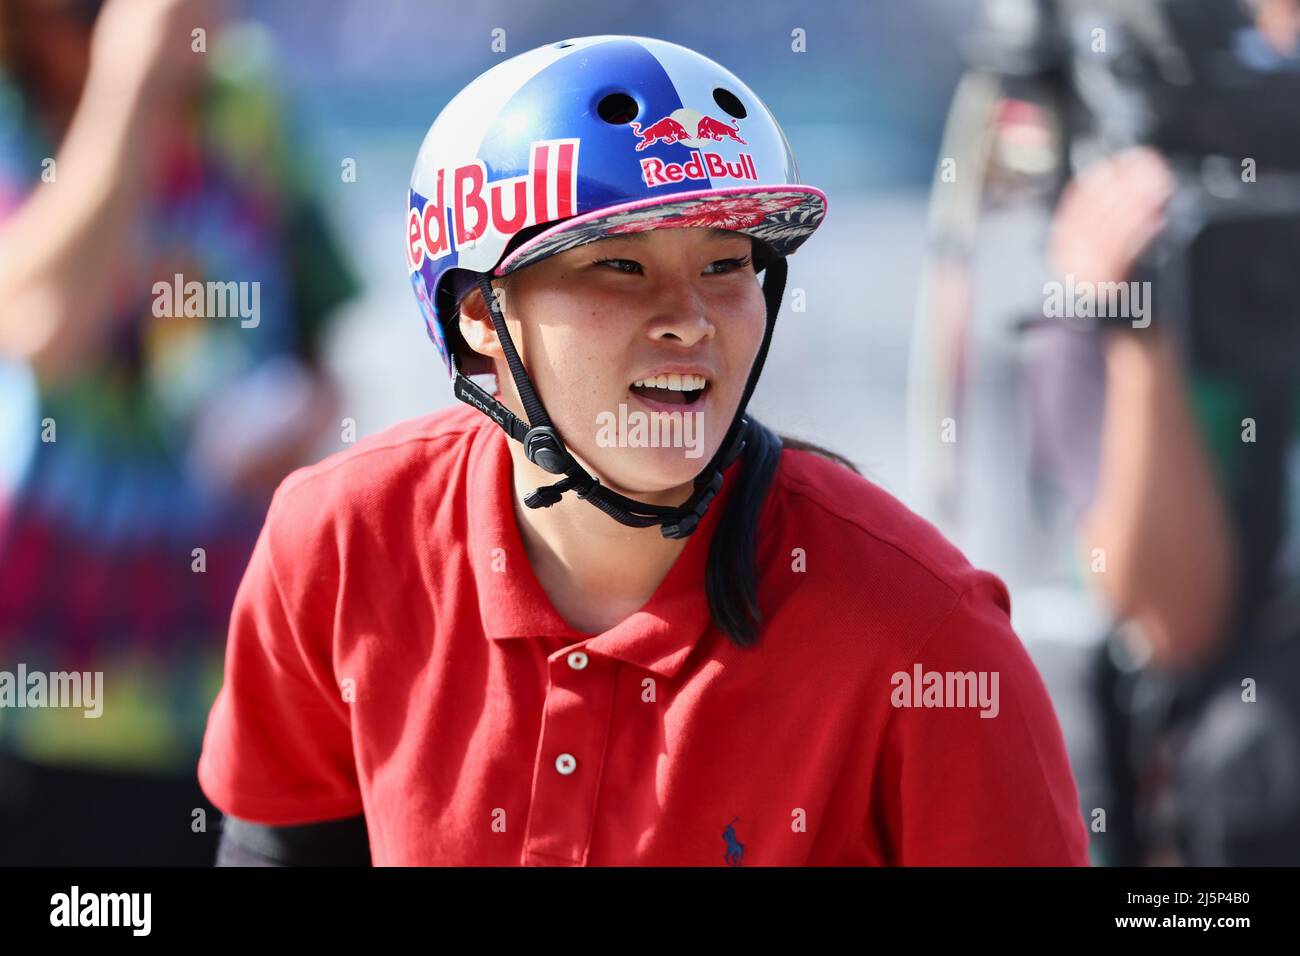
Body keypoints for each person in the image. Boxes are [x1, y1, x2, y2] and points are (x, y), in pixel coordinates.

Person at [198, 34, 1090, 866]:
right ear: (477, 315)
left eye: (726, 264)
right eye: (618, 265)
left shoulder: (930, 632)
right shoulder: (337, 538)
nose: (690, 320)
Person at [0, 0, 356, 864]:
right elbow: (41, 324)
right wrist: (135, 85)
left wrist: (294, 421)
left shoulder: (245, 98)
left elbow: (320, 345)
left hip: (232, 680)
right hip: (37, 694)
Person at [958, 0, 1300, 864]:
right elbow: (1168, 617)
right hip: (1242, 747)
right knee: (1252, 756)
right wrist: (1134, 323)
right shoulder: (1119, 254)